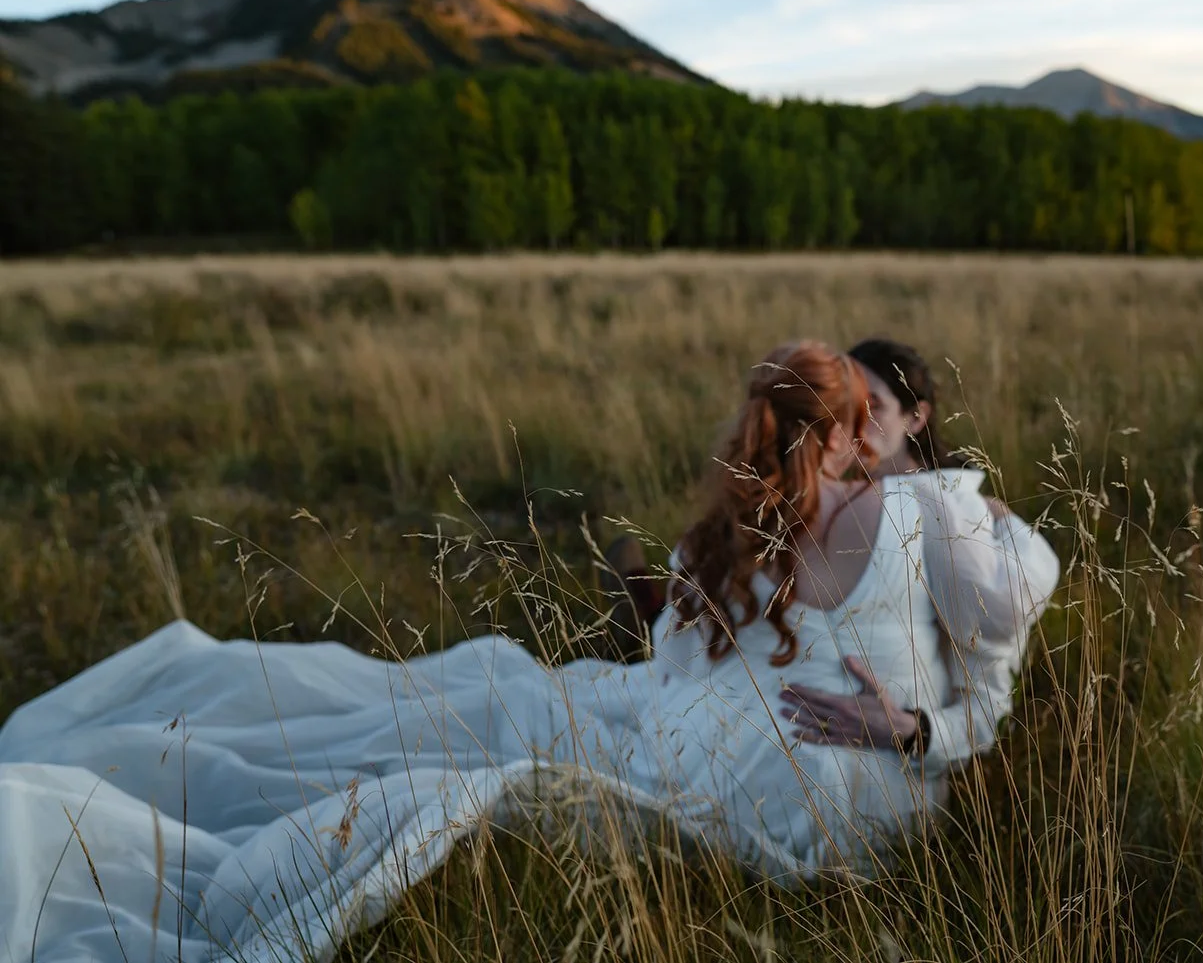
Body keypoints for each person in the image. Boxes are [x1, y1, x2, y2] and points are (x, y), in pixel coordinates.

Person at [0, 339, 1046, 963]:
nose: (871, 438)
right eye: (855, 418)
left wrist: (909, 729)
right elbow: (976, 693)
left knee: (480, 727)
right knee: (488, 720)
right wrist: (913, 731)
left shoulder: (906, 524)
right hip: (800, 798)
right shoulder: (876, 524)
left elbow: (977, 691)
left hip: (808, 790)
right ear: (841, 429)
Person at [604, 337, 1061, 776]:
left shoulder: (944, 512)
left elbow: (987, 687)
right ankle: (645, 613)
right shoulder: (764, 508)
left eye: (871, 408)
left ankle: (643, 611)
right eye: (842, 409)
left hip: (881, 758)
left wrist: (915, 731)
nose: (856, 427)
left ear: (914, 420)